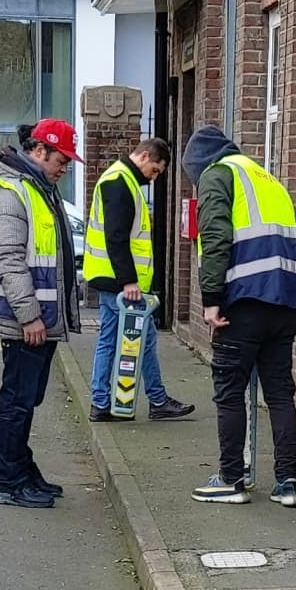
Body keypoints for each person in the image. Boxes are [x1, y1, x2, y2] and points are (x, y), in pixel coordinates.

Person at [180, 126, 296, 507]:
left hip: (244, 302)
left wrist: (211, 299)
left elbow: (217, 238)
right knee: (279, 392)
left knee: (229, 390)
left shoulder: (217, 175)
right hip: (287, 301)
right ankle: (288, 483)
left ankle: (229, 479)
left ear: (198, 164)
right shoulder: (266, 177)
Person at [0, 118, 84, 508]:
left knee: (27, 398)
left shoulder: (38, 188)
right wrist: (30, 315)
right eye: (61, 159)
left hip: (38, 318)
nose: (64, 168)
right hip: (22, 319)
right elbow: (9, 260)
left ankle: (22, 470)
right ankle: (8, 481)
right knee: (17, 401)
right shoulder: (11, 193)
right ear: (39, 151)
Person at [83, 136, 194, 422]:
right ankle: (143, 401)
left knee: (129, 338)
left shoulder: (123, 180)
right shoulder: (120, 182)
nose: (154, 177)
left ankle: (112, 401)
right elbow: (117, 237)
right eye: (155, 170)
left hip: (112, 278)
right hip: (118, 281)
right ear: (144, 156)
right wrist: (129, 281)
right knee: (126, 339)